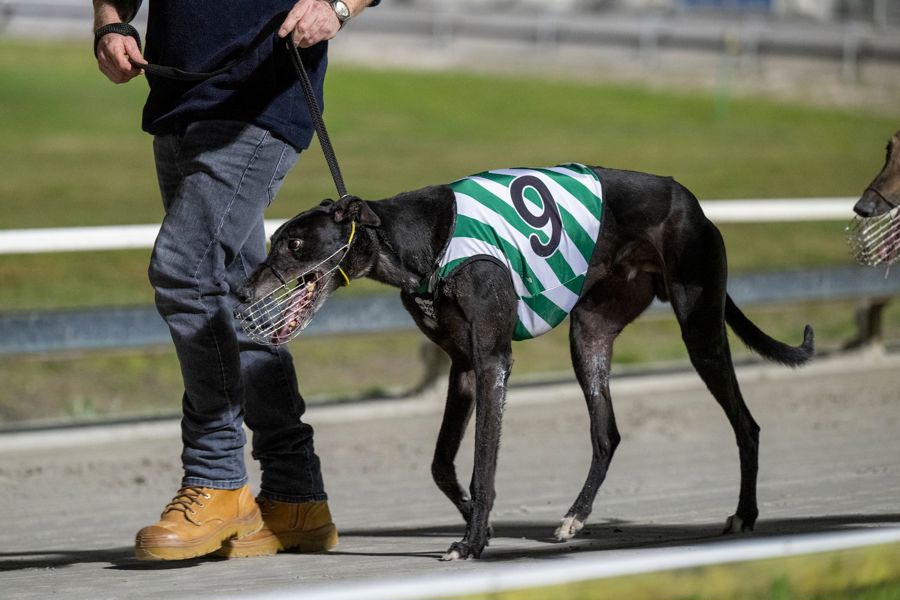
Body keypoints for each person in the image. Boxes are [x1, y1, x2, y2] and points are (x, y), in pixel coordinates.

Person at [92, 0, 378, 561]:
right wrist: (111, 22)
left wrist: (339, 6)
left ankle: (217, 478)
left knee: (184, 272)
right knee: (244, 298)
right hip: (177, 97)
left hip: (262, 97)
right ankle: (296, 498)